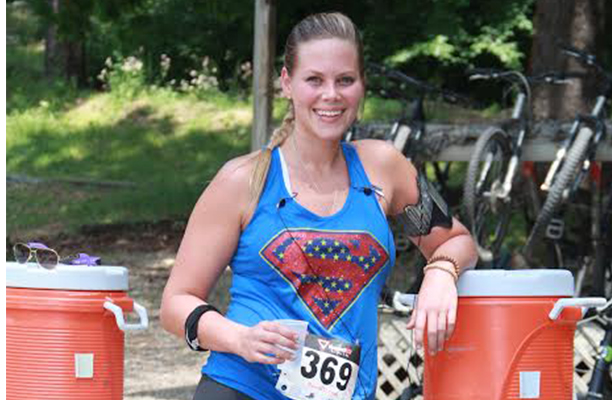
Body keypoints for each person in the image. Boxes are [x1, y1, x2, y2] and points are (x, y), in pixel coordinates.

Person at [159, 12, 477, 400]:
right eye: (314, 80)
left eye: (345, 80)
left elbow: (456, 240)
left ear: (362, 86)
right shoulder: (242, 180)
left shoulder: (384, 169)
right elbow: (176, 303)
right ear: (287, 83)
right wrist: (239, 338)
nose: (331, 95)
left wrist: (441, 273)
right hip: (244, 388)